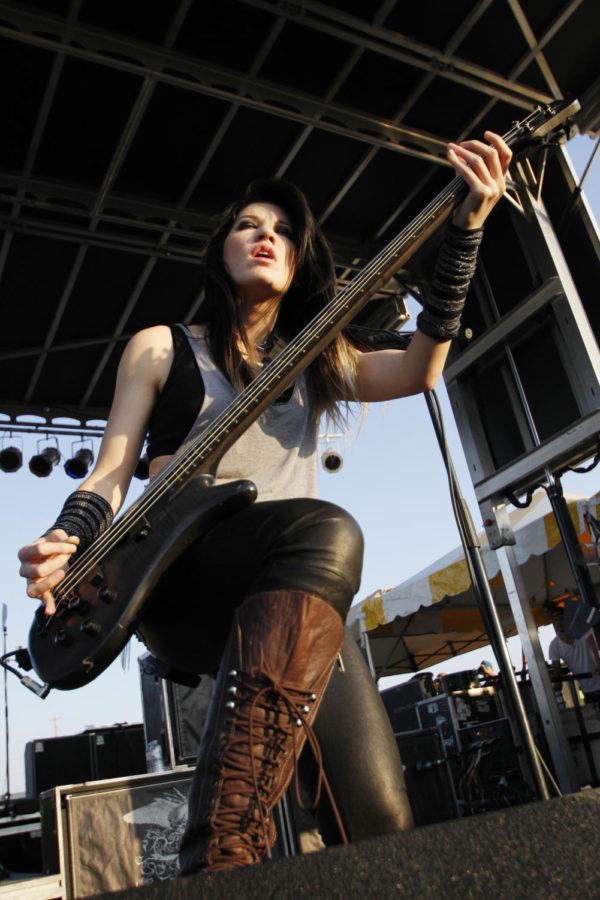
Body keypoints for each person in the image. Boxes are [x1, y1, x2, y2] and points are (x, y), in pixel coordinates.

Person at [17, 131, 511, 873]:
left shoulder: (319, 357)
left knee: (383, 822)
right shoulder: (161, 347)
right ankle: (221, 847)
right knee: (329, 529)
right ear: (221, 249)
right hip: (184, 578)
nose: (265, 237)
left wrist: (466, 229)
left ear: (299, 257)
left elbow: (419, 369)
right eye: (249, 225)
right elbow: (111, 470)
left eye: (282, 230)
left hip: (296, 598)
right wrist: (68, 536)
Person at [547, 603, 600, 706]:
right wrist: (554, 685)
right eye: (555, 620)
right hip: (586, 689)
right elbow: (557, 669)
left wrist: (599, 664)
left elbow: (594, 648)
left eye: (561, 619)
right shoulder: (554, 646)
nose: (559, 623)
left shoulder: (583, 630)